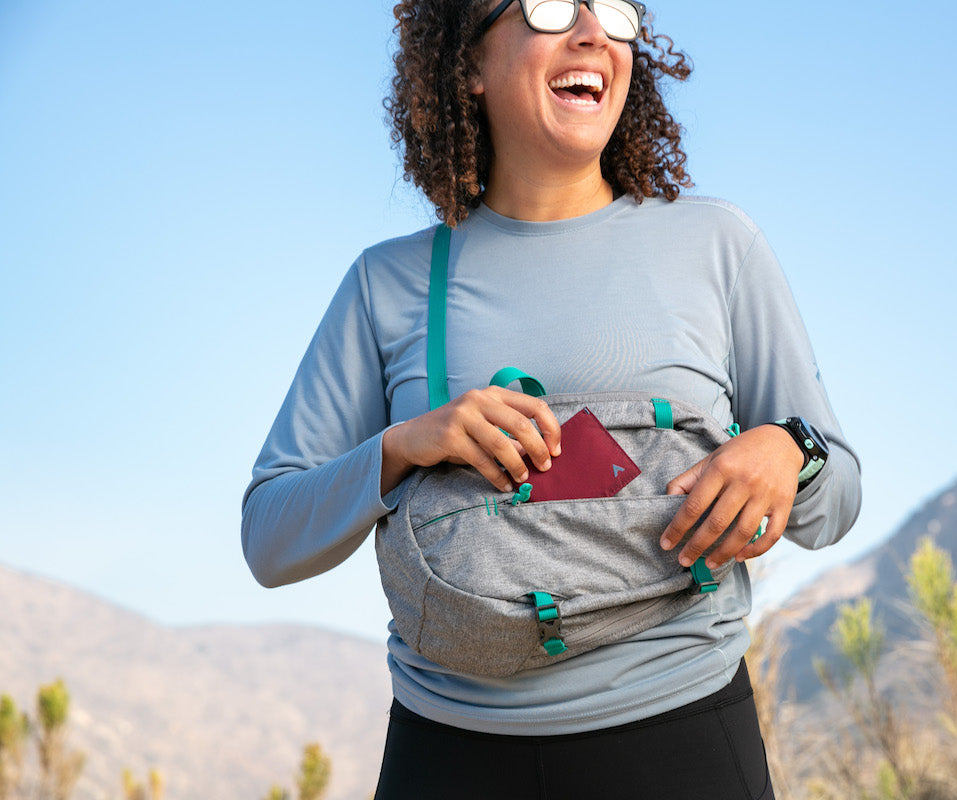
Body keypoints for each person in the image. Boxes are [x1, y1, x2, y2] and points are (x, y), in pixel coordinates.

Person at [241, 0, 862, 796]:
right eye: (547, 6)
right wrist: (403, 446)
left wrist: (790, 450)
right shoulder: (386, 284)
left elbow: (835, 494)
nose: (592, 32)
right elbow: (269, 536)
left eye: (614, 10)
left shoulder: (717, 245)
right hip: (449, 754)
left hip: (682, 739)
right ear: (467, 64)